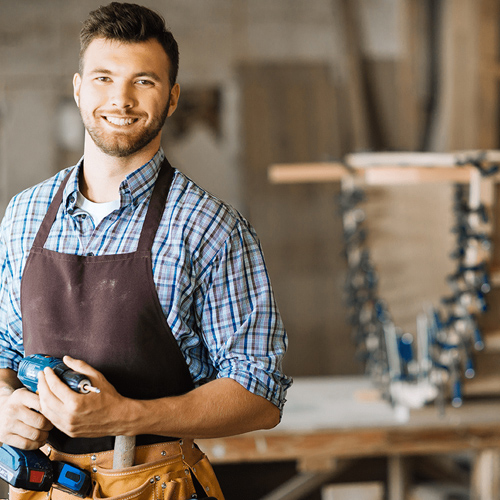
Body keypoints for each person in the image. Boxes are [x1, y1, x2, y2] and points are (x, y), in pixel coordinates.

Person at [0, 3, 292, 499]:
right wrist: (4, 404)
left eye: (144, 82)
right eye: (103, 78)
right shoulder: (24, 214)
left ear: (172, 97)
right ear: (77, 88)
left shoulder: (209, 228)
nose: (121, 99)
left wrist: (128, 415)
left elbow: (260, 392)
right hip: (44, 486)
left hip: (157, 485)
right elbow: (6, 346)